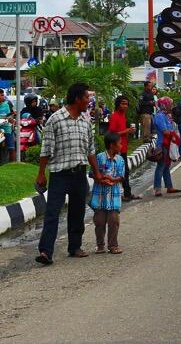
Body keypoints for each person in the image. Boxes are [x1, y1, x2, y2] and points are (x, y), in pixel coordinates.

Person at [36, 82, 104, 265]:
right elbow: (46, 149)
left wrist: (96, 171)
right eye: (87, 97)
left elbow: (90, 149)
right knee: (52, 213)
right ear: (77, 99)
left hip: (79, 174)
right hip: (59, 174)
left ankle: (75, 247)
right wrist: (41, 174)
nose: (89, 101)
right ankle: (45, 252)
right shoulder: (55, 119)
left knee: (77, 212)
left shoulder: (85, 121)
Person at [90, 132, 125, 254]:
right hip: (99, 196)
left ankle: (113, 245)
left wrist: (112, 179)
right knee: (99, 222)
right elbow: (92, 173)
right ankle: (100, 245)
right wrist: (102, 178)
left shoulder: (120, 160)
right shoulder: (99, 158)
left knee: (114, 221)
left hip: (114, 196)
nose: (121, 146)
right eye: (119, 143)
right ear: (112, 145)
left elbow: (121, 176)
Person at [107, 95, 141, 201]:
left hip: (124, 147)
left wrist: (128, 131)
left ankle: (126, 193)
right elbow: (112, 134)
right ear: (118, 104)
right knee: (119, 172)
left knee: (124, 172)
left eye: (126, 104)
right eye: (123, 103)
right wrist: (126, 131)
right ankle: (122, 194)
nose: (125, 106)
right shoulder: (114, 116)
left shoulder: (123, 115)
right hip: (116, 149)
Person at [153, 97, 181, 197]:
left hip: (168, 144)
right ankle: (157, 188)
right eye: (170, 104)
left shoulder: (166, 115)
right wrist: (174, 134)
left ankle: (169, 186)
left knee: (166, 166)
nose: (171, 106)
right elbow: (165, 131)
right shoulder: (160, 116)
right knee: (161, 166)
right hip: (162, 144)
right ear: (164, 105)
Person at [0, 88, 16, 162]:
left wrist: (10, 118)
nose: (3, 97)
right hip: (0, 130)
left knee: (11, 148)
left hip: (6, 129)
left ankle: (13, 165)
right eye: (1, 95)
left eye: (3, 95)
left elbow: (10, 116)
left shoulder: (6, 105)